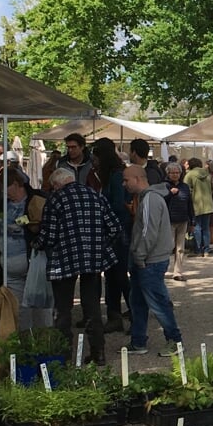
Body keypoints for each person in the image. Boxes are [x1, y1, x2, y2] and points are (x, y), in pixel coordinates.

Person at [40, 165, 121, 364]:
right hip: (93, 258)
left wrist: (36, 243)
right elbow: (115, 227)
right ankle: (98, 352)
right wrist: (100, 245)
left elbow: (49, 236)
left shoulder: (56, 199)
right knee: (92, 306)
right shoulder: (95, 195)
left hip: (65, 258)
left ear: (57, 183)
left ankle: (64, 355)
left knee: (63, 308)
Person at [123, 165, 183, 356]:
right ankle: (138, 341)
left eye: (126, 180)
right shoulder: (148, 197)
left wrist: (140, 255)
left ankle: (175, 341)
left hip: (150, 260)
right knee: (138, 301)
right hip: (148, 258)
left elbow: (148, 231)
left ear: (137, 178)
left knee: (158, 302)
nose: (124, 184)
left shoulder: (150, 199)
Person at [1, 170, 51, 330]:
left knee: (39, 304)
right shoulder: (4, 203)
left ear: (16, 184)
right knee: (17, 308)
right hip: (10, 265)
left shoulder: (35, 200)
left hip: (32, 260)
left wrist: (20, 225)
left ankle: (43, 339)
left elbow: (40, 224)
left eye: (5, 187)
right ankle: (23, 341)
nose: (3, 191)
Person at [91, 138, 131, 330]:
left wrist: (100, 210)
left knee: (120, 275)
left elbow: (118, 205)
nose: (94, 161)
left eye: (96, 157)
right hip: (112, 231)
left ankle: (134, 311)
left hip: (118, 231)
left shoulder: (115, 176)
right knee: (112, 274)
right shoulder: (108, 175)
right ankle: (114, 315)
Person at [163, 161, 194, 282]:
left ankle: (177, 272)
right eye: (173, 173)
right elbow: (161, 201)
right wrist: (170, 194)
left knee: (180, 248)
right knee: (168, 247)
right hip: (169, 220)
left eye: (177, 173)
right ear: (168, 174)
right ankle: (162, 270)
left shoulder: (184, 186)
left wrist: (193, 221)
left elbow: (189, 204)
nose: (175, 175)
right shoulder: (164, 186)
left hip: (183, 220)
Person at [183, 157, 213, 256]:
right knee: (206, 228)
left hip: (196, 204)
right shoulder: (208, 175)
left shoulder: (189, 175)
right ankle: (206, 250)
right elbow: (212, 189)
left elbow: (185, 190)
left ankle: (197, 249)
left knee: (197, 227)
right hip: (208, 204)